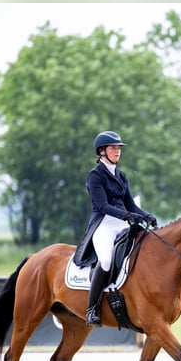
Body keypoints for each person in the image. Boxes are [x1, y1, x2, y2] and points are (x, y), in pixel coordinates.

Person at [73, 131, 157, 326]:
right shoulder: (95, 176)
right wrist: (127, 215)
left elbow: (131, 204)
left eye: (119, 148)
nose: (117, 152)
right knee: (106, 260)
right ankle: (92, 308)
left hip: (122, 223)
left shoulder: (121, 175)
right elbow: (103, 206)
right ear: (101, 151)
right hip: (104, 224)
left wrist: (146, 215)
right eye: (113, 148)